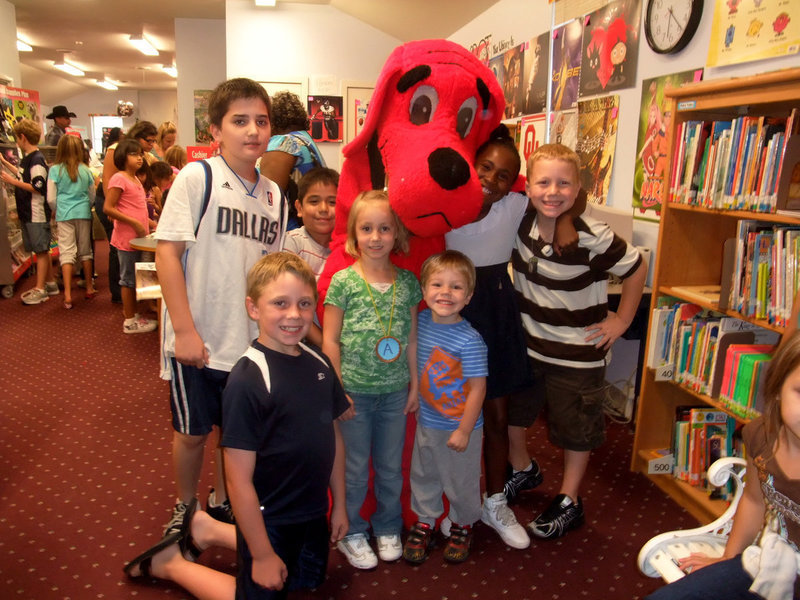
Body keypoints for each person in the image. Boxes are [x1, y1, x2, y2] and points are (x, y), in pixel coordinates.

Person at [124, 253, 348, 599]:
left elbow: (332, 438)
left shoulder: (319, 362)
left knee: (307, 581)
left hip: (311, 511)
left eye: (304, 303)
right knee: (262, 588)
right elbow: (237, 478)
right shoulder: (248, 379)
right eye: (280, 303)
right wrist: (260, 554)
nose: (294, 314)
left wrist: (341, 506)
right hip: (268, 514)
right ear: (253, 308)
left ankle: (208, 529)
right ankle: (171, 565)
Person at [154, 78, 286, 539]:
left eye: (261, 120)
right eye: (240, 120)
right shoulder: (198, 177)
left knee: (235, 437)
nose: (253, 130)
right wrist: (185, 332)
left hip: (249, 345)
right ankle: (185, 507)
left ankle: (220, 501)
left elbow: (270, 273)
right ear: (216, 129)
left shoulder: (275, 196)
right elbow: (167, 254)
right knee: (192, 433)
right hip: (201, 339)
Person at [444, 126, 584, 549]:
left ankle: (494, 498)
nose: (491, 179)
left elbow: (560, 196)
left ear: (513, 185)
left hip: (495, 312)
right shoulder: (446, 203)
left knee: (497, 415)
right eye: (484, 167)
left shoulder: (516, 204)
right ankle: (446, 502)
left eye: (504, 175)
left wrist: (565, 221)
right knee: (446, 413)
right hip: (448, 308)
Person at [511, 143, 646, 539]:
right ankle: (523, 469)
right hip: (530, 345)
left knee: (576, 430)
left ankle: (570, 500)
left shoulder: (592, 236)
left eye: (564, 184)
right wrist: (565, 212)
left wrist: (622, 320)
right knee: (514, 413)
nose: (553, 191)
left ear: (578, 187)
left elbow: (637, 268)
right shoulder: (521, 221)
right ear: (529, 186)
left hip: (578, 354)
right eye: (544, 182)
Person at [646, 330, 800, 600]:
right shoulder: (761, 435)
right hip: (771, 562)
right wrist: (729, 557)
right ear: (777, 390)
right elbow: (754, 500)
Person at [322, 190, 421, 570]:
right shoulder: (343, 282)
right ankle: (353, 532)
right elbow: (329, 339)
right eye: (367, 229)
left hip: (395, 393)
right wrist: (338, 392)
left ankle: (388, 526)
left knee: (392, 466)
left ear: (397, 234)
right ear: (353, 235)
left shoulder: (408, 283)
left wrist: (414, 385)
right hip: (354, 395)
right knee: (355, 467)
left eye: (384, 228)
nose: (376, 237)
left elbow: (412, 339)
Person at [403, 250, 487, 565]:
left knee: (461, 480)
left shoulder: (470, 339)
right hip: (428, 421)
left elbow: (479, 387)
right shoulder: (420, 322)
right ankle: (426, 519)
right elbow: (411, 353)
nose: (445, 293)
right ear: (424, 292)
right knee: (424, 473)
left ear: (468, 296)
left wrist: (465, 430)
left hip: (461, 425)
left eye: (455, 287)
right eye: (437, 285)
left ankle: (463, 522)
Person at [102, 138, 158, 334]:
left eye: (140, 154)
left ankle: (136, 313)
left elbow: (138, 209)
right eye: (134, 154)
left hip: (139, 238)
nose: (139, 158)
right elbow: (108, 207)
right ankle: (129, 320)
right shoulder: (119, 178)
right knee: (127, 280)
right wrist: (133, 223)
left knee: (139, 275)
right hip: (126, 239)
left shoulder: (134, 179)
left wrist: (152, 224)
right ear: (122, 157)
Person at [0, 118, 58, 304]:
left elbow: (38, 186)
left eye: (17, 138)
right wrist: (5, 164)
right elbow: (22, 174)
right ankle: (50, 282)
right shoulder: (30, 159)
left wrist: (13, 183)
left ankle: (40, 288)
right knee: (42, 250)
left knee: (40, 251)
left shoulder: (37, 160)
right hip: (29, 212)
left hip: (36, 213)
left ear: (22, 137)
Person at [260, 91, 326, 227]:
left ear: (272, 121)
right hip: (310, 232)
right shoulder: (306, 140)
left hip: (288, 236)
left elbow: (267, 203)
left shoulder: (282, 143)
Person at [47, 134, 98, 308]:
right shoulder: (85, 170)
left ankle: (68, 295)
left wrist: (57, 208)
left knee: (66, 253)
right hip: (83, 212)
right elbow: (92, 195)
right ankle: (90, 287)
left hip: (64, 214)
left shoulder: (55, 170)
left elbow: (51, 198)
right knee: (86, 251)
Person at [281, 167, 338, 280]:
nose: (323, 209)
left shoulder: (347, 247)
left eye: (332, 202)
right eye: (314, 202)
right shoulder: (292, 242)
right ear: (299, 208)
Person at [96, 126, 124, 303]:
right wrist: (111, 207)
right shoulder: (114, 151)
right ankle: (117, 292)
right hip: (110, 204)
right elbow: (107, 180)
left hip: (113, 204)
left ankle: (121, 291)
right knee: (116, 247)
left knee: (119, 248)